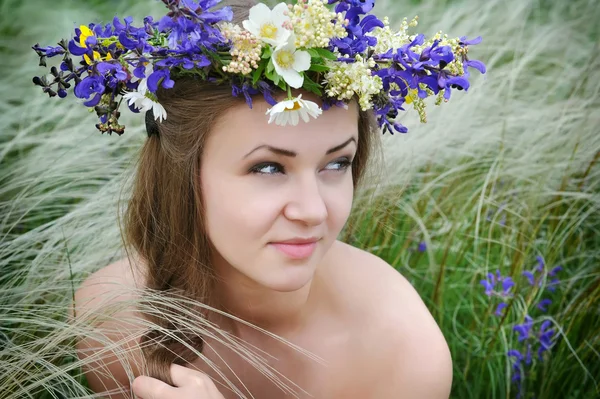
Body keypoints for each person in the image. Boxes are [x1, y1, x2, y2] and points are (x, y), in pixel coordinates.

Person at [32, 0, 485, 397]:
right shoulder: (109, 322)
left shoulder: (402, 354)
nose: (312, 211)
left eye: (336, 164)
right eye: (267, 168)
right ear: (183, 176)